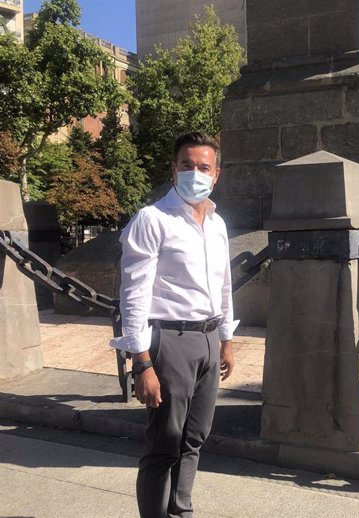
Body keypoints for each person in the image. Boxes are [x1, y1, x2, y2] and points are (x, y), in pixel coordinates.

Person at [110, 132, 237, 518]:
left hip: (209, 339)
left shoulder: (217, 224)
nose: (194, 173)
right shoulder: (152, 219)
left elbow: (224, 284)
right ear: (173, 169)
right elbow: (133, 294)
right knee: (164, 442)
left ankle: (180, 511)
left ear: (215, 175)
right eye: (186, 165)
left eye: (203, 167)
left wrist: (227, 340)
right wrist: (142, 362)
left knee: (195, 438)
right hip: (170, 340)